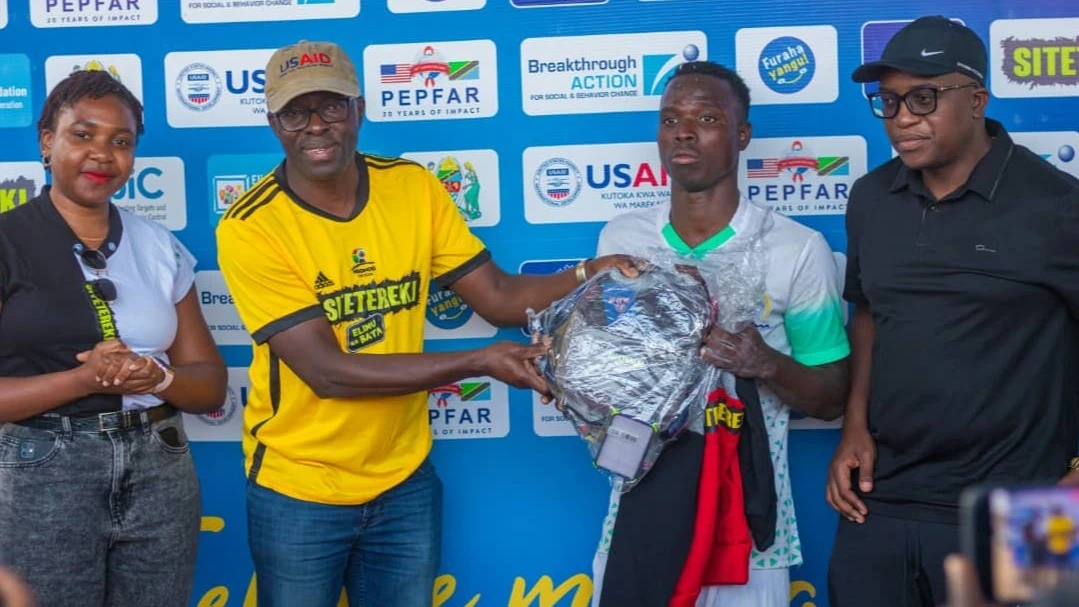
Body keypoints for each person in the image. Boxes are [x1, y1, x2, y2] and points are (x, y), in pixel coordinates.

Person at [214, 40, 634, 607]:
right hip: (299, 489)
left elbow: (500, 296)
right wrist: (479, 361)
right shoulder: (251, 227)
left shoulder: (410, 188)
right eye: (296, 112)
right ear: (273, 123)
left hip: (403, 481)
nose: (315, 126)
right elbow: (327, 372)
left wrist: (589, 271)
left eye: (331, 106)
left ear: (358, 109)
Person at [826, 16, 1079, 606]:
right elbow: (868, 312)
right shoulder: (870, 197)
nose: (902, 118)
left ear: (977, 100)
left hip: (1030, 510)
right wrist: (855, 427)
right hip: (880, 499)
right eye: (888, 101)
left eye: (924, 97)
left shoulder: (1057, 205)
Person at [588, 60, 851, 607]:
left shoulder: (796, 249)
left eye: (706, 118)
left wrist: (767, 364)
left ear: (742, 134)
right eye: (669, 119)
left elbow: (833, 396)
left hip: (748, 516)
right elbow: (606, 378)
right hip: (641, 509)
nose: (682, 132)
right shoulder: (622, 241)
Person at [0, 70, 227, 606]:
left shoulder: (159, 245)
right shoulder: (8, 241)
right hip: (43, 470)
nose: (102, 154)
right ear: (47, 141)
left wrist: (161, 376)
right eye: (82, 134)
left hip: (160, 465)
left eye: (120, 142)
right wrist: (83, 379)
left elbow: (210, 386)